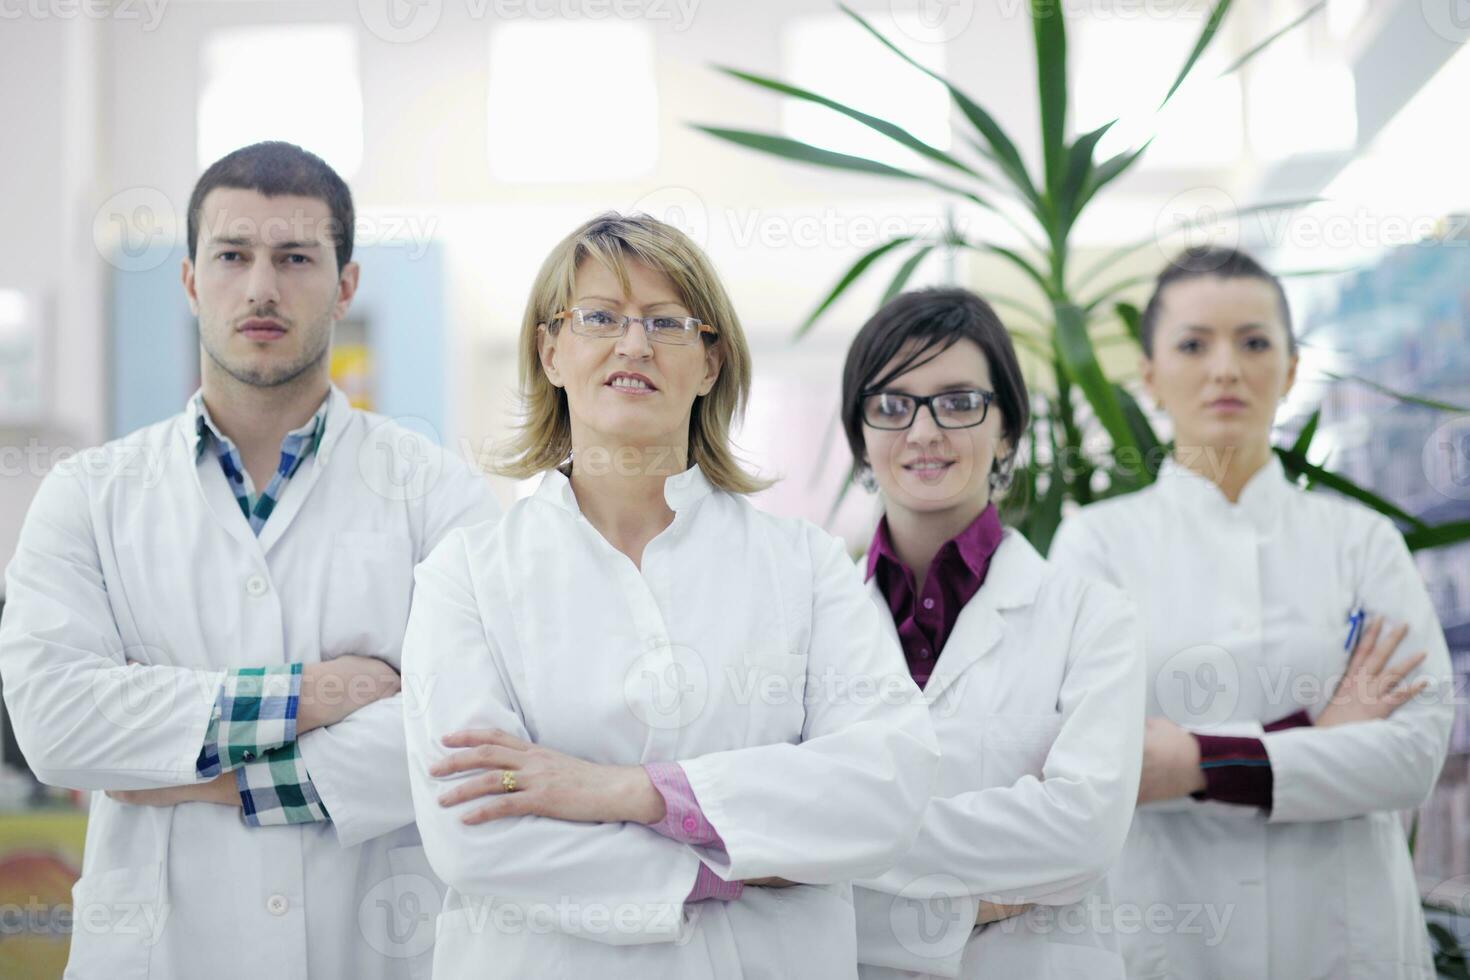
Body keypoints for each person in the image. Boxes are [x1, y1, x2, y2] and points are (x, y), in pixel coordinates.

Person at [0, 141, 498, 978]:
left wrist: (200, 779)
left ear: (345, 285)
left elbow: (461, 739)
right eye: (233, 256)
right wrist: (323, 690)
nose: (262, 286)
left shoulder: (437, 494)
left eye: (296, 257)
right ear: (193, 280)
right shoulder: (87, 495)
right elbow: (56, 724)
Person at [400, 212, 940, 979]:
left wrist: (628, 793)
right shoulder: (467, 574)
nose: (634, 345)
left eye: (667, 322)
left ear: (710, 363)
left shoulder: (805, 567)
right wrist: (737, 863)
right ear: (550, 352)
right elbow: (473, 827)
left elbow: (886, 786)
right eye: (598, 318)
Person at [1049, 245, 1451, 979]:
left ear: (1291, 369)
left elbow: (1412, 755)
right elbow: (1093, 763)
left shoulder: (1360, 541)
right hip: (1169, 937)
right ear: (1149, 376)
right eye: (1194, 344)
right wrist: (1315, 736)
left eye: (1255, 342)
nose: (1226, 367)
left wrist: (1196, 761)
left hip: (1344, 937)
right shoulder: (1096, 545)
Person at [841, 288, 1143, 978]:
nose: (923, 432)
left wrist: (842, 840)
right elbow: (770, 836)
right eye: (891, 405)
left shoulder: (1092, 617)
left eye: (958, 402)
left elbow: (1082, 829)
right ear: (860, 433)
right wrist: (977, 896)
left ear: (1007, 429)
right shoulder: (807, 624)